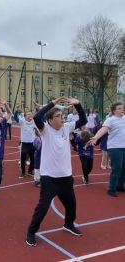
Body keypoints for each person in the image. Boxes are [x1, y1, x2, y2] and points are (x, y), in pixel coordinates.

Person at [26, 96, 87, 247]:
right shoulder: (45, 129)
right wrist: (53, 103)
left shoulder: (66, 127)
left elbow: (83, 120)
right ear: (50, 119)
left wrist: (78, 105)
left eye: (62, 116)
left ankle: (68, 224)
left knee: (71, 205)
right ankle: (31, 232)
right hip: (49, 178)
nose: (61, 118)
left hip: (66, 177)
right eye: (58, 116)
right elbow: (37, 117)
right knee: (43, 206)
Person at [90, 102, 125, 197]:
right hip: (115, 147)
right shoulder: (110, 120)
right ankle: (111, 189)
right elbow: (103, 130)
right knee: (116, 168)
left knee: (123, 169)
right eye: (119, 108)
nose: (122, 110)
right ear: (114, 111)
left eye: (122, 108)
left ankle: (120, 186)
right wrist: (96, 137)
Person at [14, 109, 36, 178]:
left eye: (31, 114)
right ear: (25, 116)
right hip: (24, 144)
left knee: (33, 159)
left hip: (32, 144)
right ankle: (23, 172)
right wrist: (17, 111)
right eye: (28, 114)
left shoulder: (34, 122)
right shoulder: (22, 121)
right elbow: (15, 117)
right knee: (22, 159)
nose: (30, 115)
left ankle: (30, 171)